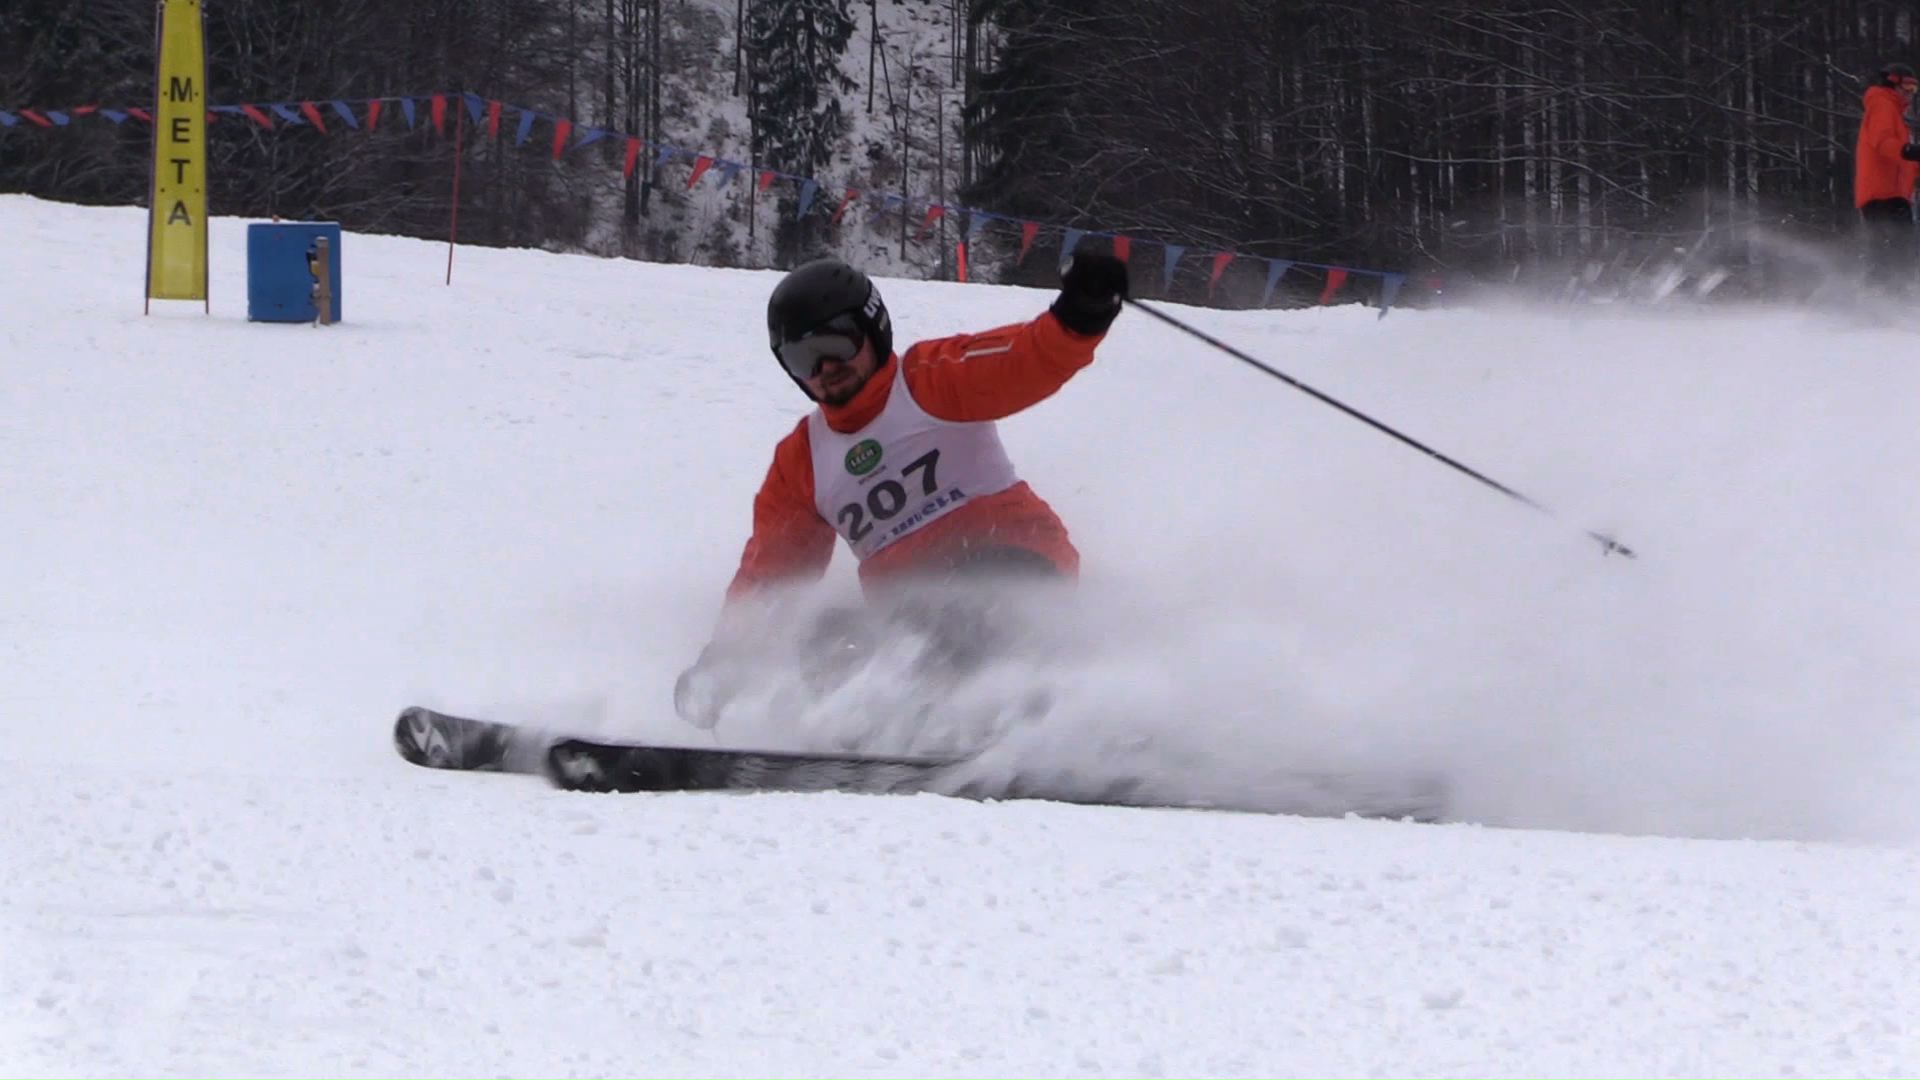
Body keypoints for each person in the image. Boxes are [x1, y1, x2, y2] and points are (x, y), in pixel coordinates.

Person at [675, 252, 1130, 724]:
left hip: (1014, 570)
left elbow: (1024, 359)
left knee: (946, 622)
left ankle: (1041, 722)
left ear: (872, 331)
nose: (826, 368)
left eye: (838, 346)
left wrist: (1081, 313)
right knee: (827, 642)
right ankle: (877, 742)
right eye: (804, 359)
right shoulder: (802, 461)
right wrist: (725, 659)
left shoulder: (929, 381)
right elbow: (771, 579)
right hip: (911, 616)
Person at [1854, 61, 1920, 280]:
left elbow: (1902, 161)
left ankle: (1889, 300)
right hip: (1883, 194)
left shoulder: (1893, 112)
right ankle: (1882, 301)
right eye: (1908, 88)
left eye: (1915, 90)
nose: (1911, 95)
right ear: (1893, 85)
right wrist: (1909, 150)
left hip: (1893, 194)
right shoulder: (1882, 104)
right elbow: (1883, 143)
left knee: (1895, 252)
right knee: (1892, 253)